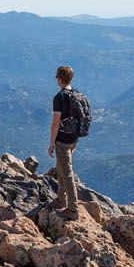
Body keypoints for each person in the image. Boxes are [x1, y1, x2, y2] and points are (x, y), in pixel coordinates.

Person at [48, 65, 85, 217]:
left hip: (62, 140)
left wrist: (51, 143)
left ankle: (72, 208)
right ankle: (61, 199)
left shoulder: (59, 98)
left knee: (67, 173)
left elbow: (56, 123)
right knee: (61, 168)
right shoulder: (77, 95)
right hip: (74, 139)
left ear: (59, 79)